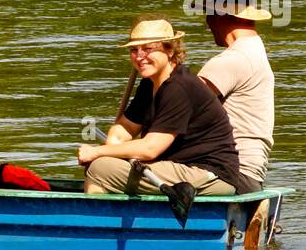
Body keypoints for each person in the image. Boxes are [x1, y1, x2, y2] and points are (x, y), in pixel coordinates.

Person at [79, 17, 255, 196]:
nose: (139, 57)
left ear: (169, 50)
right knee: (103, 165)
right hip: (176, 166)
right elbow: (126, 127)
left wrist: (98, 152)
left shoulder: (179, 87)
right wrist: (113, 147)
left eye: (148, 49)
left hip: (208, 173)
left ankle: (93, 221)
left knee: (99, 168)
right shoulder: (149, 84)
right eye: (134, 50)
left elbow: (150, 149)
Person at [198, 0, 275, 187]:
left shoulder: (232, 60)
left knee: (109, 170)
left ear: (217, 15)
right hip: (252, 172)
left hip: (229, 171)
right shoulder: (255, 49)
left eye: (208, 14)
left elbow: (178, 109)